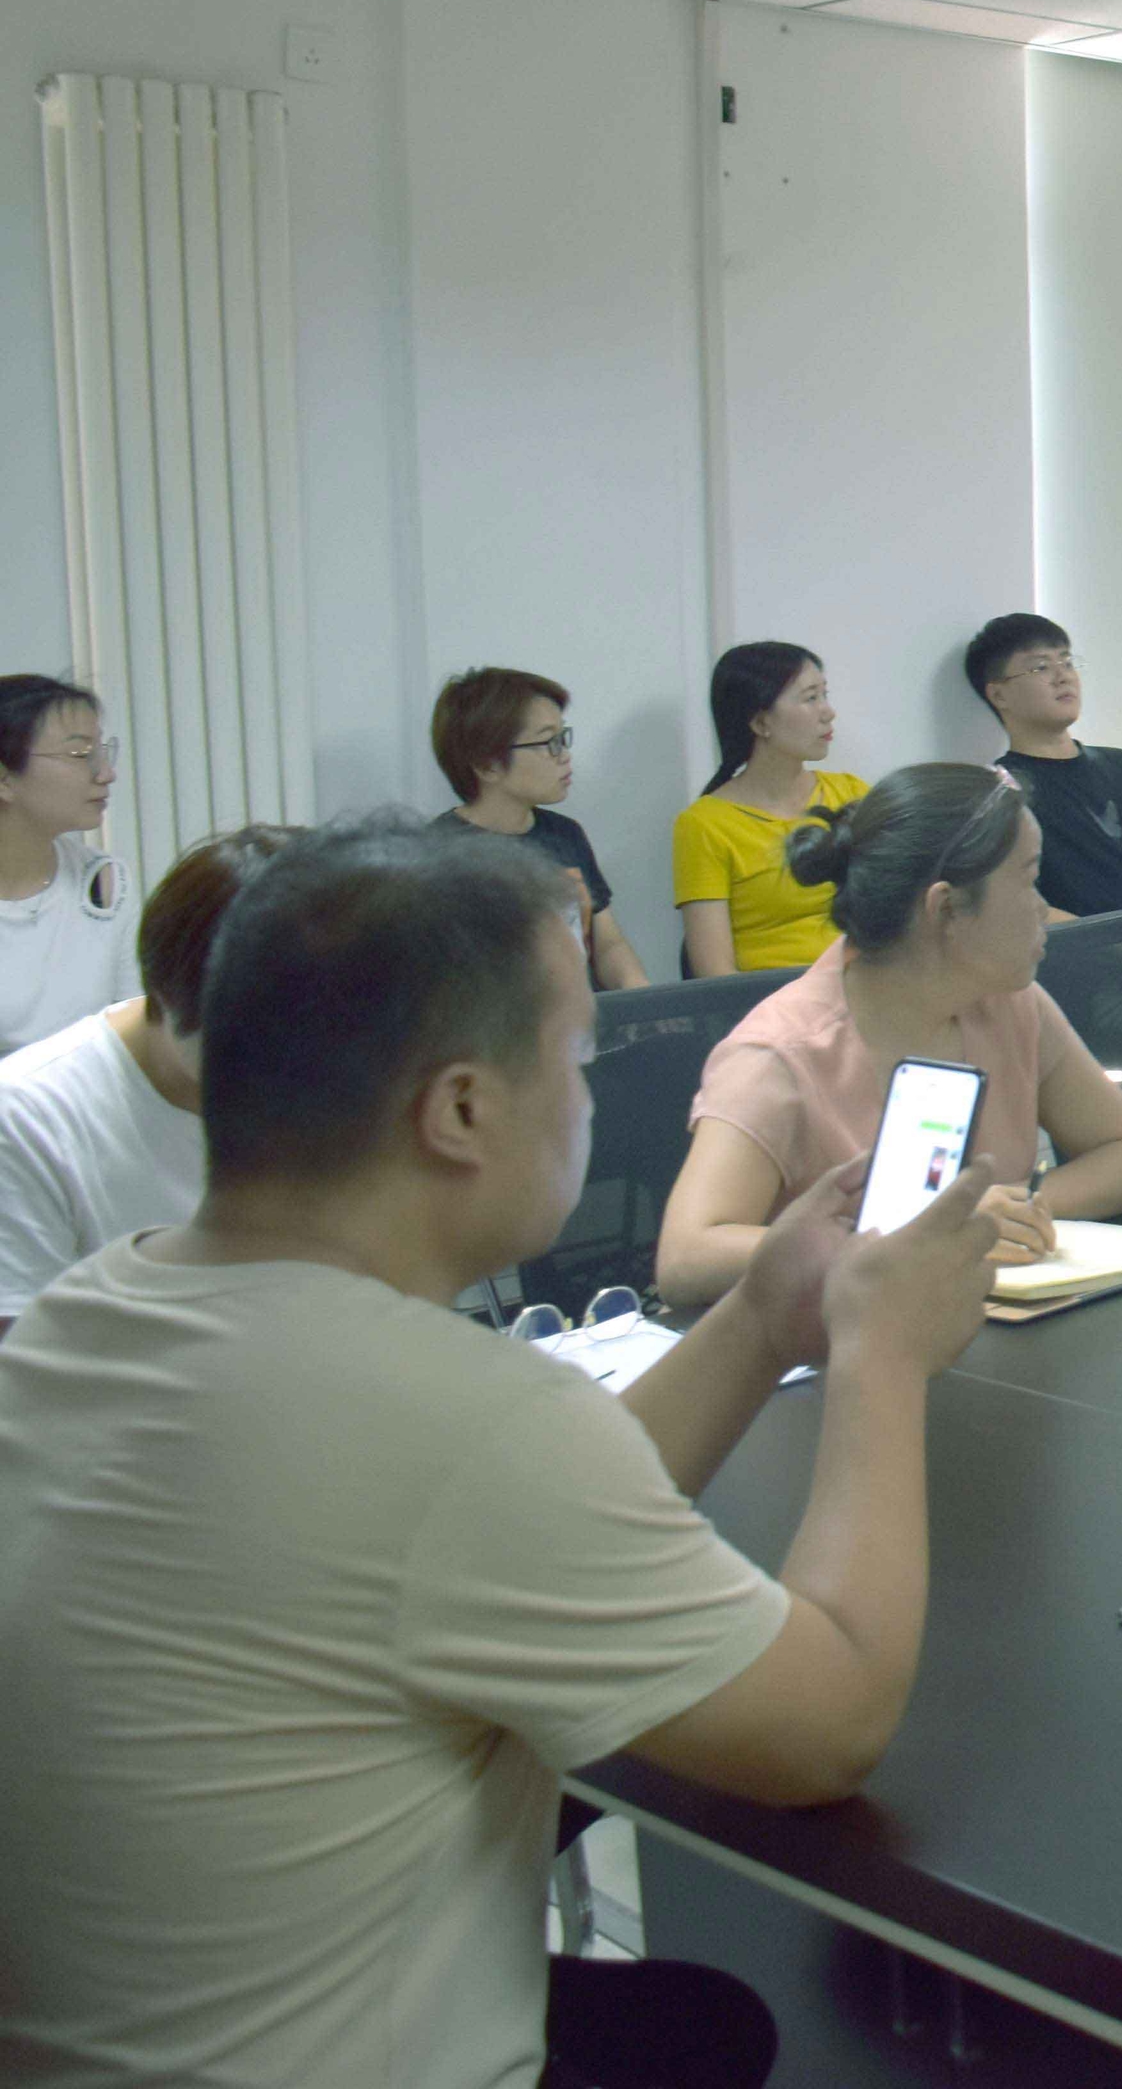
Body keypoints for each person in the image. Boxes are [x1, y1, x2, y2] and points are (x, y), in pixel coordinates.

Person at [0, 815, 1005, 2088]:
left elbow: (507, 1519)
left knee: (693, 2026)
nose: (585, 1099)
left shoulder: (90, 1317)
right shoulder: (453, 1418)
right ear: (463, 1109)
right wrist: (880, 1357)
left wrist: (763, 1316)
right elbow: (832, 1721)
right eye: (574, 1058)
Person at [658, 764, 1122, 1307]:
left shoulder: (1008, 1003)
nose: (1043, 908)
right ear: (945, 907)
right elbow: (686, 1258)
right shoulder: (779, 1053)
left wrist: (1010, 1212)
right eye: (1028, 880)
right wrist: (912, 1233)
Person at [0, 826, 289, 1338]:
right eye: (245, 1045)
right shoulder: (29, 1117)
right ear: (165, 989)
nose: (286, 1073)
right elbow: (22, 1362)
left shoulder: (356, 1080)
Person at [966, 612, 1122, 919]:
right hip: (1092, 946)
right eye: (1040, 667)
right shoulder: (999, 794)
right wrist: (1111, 940)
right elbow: (1017, 902)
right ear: (999, 694)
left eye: (1067, 662)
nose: (1062, 676)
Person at [432, 666, 649, 991]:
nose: (565, 756)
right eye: (548, 742)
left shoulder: (564, 834)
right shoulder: (435, 857)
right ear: (487, 764)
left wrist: (638, 992)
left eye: (563, 738)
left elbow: (607, 944)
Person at [673, 642, 867, 979]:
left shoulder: (852, 794)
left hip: (863, 987)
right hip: (771, 1001)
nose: (828, 712)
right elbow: (713, 971)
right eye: (810, 698)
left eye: (824, 695)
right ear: (761, 722)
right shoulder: (704, 825)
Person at [0, 674, 133, 1058]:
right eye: (79, 755)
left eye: (101, 752)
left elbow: (132, 1030)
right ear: (4, 779)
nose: (106, 773)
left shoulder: (104, 882)